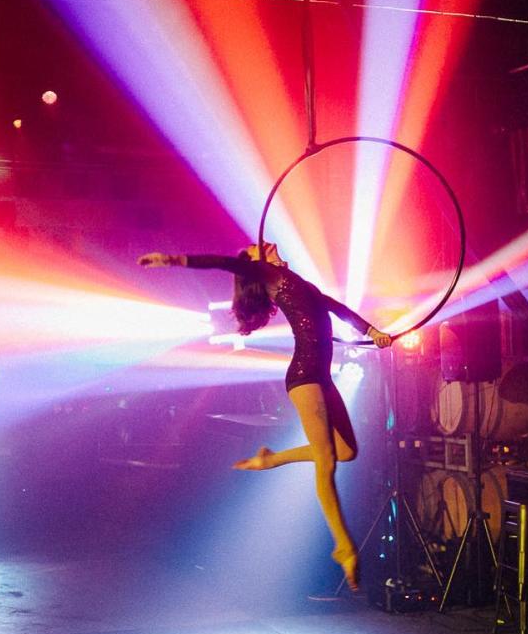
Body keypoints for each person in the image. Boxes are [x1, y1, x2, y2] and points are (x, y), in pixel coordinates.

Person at [138, 243, 391, 591]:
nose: (263, 242)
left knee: (346, 451)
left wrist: (371, 331)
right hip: (304, 376)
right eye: (255, 247)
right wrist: (173, 258)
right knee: (327, 461)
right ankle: (343, 546)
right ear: (256, 262)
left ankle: (271, 458)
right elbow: (222, 261)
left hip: (321, 376)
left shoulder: (295, 280)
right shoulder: (271, 274)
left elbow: (336, 307)